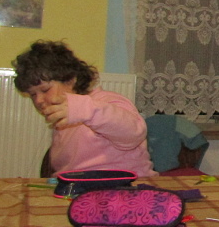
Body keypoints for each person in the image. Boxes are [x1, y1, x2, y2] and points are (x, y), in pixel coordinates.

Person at [13, 40, 157, 177]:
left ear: (71, 80)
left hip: (129, 187)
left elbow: (134, 132)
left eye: (45, 90)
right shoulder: (63, 122)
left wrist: (84, 109)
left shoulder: (105, 101)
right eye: (32, 94)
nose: (38, 100)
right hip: (85, 189)